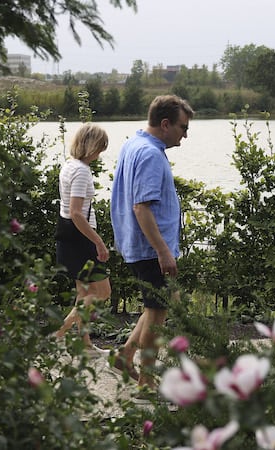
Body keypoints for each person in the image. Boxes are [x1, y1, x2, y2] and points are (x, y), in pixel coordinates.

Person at [110, 94, 194, 388]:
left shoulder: (134, 143)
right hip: (150, 247)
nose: (185, 136)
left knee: (155, 305)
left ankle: (125, 354)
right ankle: (146, 380)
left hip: (138, 244)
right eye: (183, 128)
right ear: (166, 123)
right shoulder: (150, 154)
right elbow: (141, 207)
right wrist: (164, 252)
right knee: (158, 313)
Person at [53, 123, 112, 353]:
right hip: (81, 241)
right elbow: (77, 212)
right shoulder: (82, 171)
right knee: (102, 292)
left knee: (84, 293)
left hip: (67, 238)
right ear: (91, 146)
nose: (100, 154)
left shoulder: (69, 166)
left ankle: (85, 344)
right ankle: (60, 333)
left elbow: (67, 209)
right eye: (99, 148)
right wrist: (98, 241)